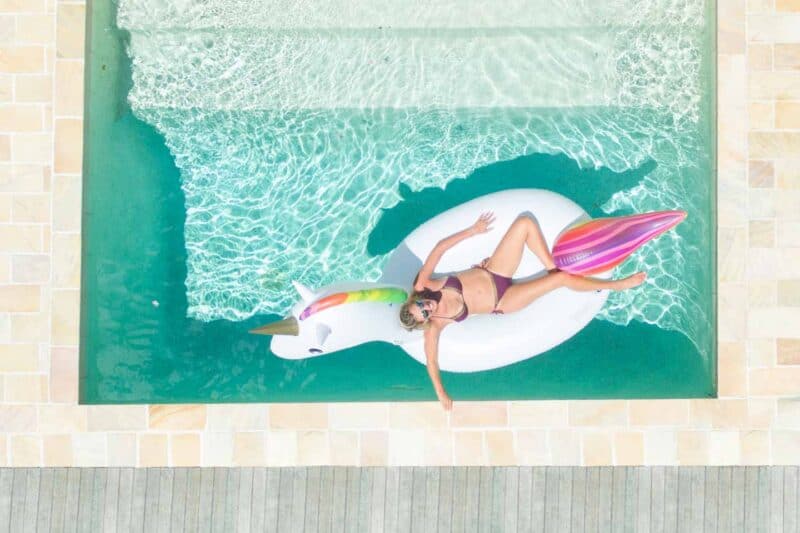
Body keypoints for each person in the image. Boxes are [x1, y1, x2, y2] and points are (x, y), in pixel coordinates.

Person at [398, 212, 647, 411]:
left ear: (415, 298)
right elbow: (432, 361)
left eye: (420, 305)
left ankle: (552, 267)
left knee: (525, 223)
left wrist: (473, 231)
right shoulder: (435, 325)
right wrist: (442, 394)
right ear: (426, 321)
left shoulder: (425, 285)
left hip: (495, 272)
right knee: (560, 282)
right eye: (425, 314)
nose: (427, 308)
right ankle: (617, 285)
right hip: (504, 301)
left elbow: (439, 249)